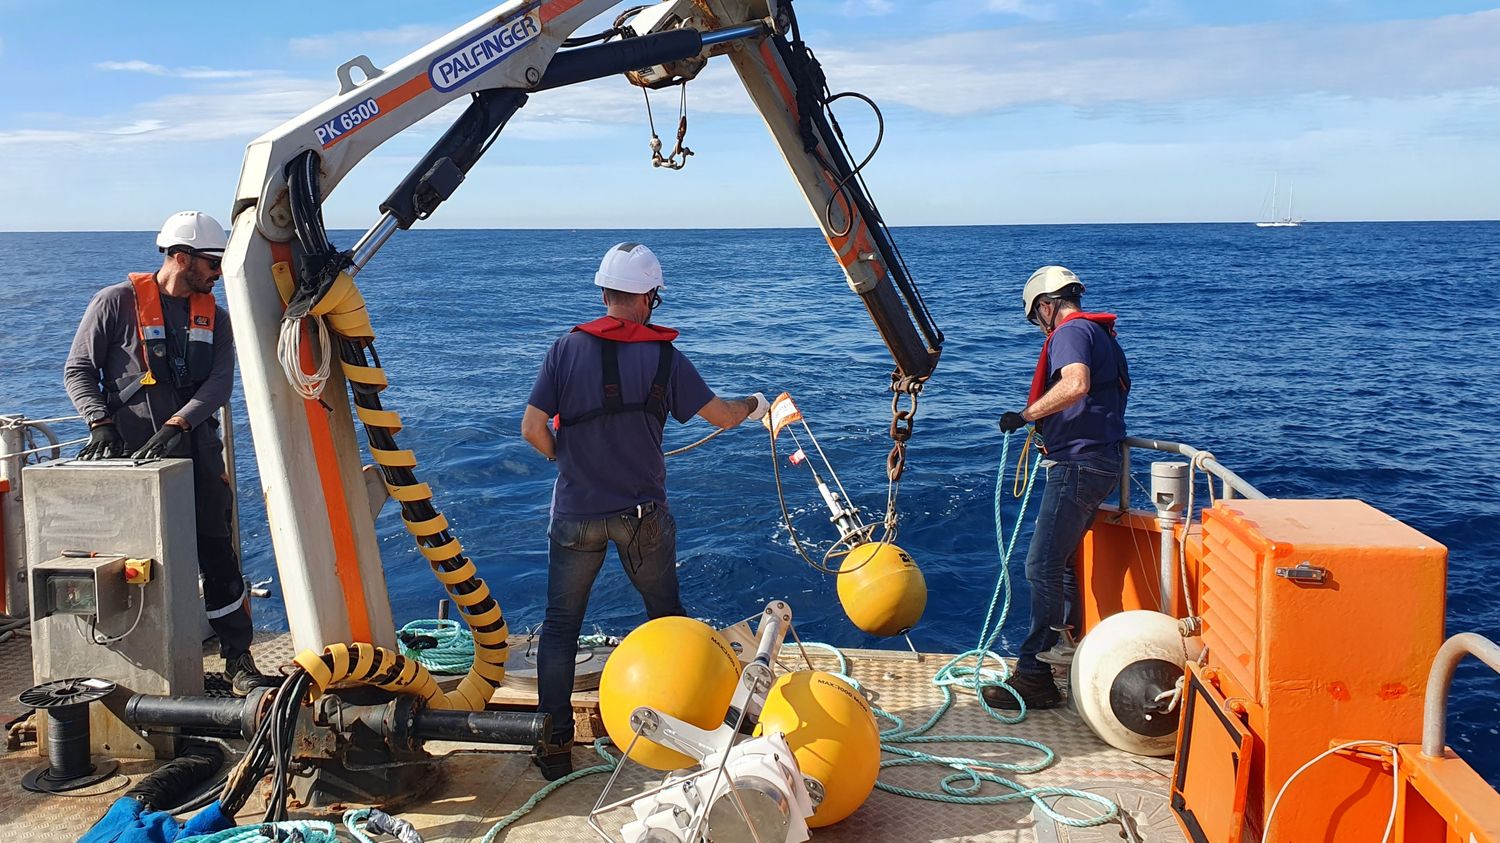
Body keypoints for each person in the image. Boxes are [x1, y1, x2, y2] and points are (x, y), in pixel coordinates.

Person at [521, 242, 768, 779]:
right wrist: (756, 404)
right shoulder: (665, 358)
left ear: (606, 293)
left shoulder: (565, 349)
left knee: (561, 629)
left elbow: (532, 429)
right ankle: (683, 730)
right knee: (667, 619)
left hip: (575, 516)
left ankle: (553, 748)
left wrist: (569, 460)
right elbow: (723, 417)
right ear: (648, 297)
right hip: (642, 518)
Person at [64, 210, 274, 696]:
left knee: (218, 554)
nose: (218, 274)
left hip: (196, 454)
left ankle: (238, 660)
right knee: (130, 558)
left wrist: (181, 423)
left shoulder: (216, 319)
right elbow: (79, 369)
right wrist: (99, 422)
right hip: (129, 459)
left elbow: (220, 382)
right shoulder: (114, 304)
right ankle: (129, 660)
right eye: (212, 262)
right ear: (181, 257)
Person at [989, 265, 1130, 710]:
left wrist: (1026, 416)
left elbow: (1075, 383)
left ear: (1047, 306)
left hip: (1077, 466)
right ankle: (1060, 660)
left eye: (1037, 318)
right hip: (1099, 463)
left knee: (1039, 565)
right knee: (1063, 564)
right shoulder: (1101, 336)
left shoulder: (1070, 333)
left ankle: (1034, 673)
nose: (1039, 326)